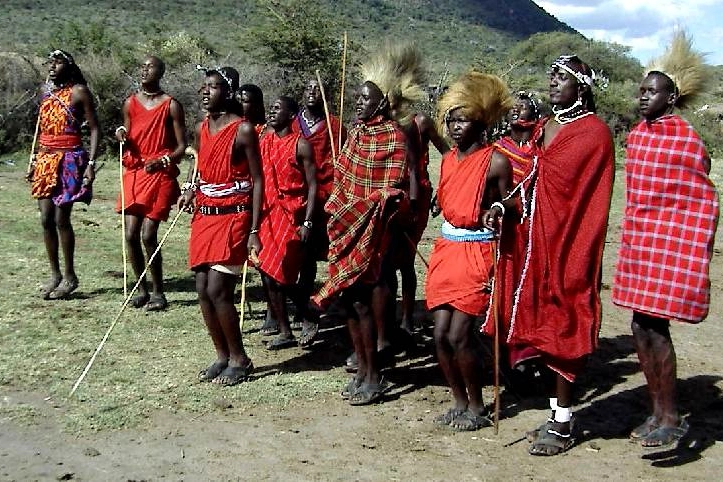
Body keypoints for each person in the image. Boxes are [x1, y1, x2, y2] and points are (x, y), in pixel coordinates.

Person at [497, 55, 614, 455]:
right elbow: (531, 178)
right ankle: (555, 414)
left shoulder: (595, 134)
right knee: (542, 327)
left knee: (563, 325)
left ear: (580, 86)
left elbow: (590, 198)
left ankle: (563, 423)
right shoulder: (545, 128)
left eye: (561, 78)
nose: (552, 84)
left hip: (573, 244)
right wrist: (505, 207)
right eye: (550, 77)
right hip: (537, 243)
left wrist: (574, 246)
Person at [612, 32, 718, 448]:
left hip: (669, 244)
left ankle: (671, 414)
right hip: (643, 242)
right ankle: (657, 411)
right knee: (641, 325)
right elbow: (640, 194)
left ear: (670, 98)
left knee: (656, 328)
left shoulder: (683, 137)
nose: (643, 98)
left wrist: (678, 231)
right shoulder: (639, 136)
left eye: (651, 92)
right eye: (640, 91)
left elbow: (698, 192)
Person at [311, 43, 424, 405]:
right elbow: (343, 177)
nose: (358, 103)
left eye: (364, 99)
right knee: (350, 303)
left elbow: (392, 188)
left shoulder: (393, 136)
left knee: (367, 301)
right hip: (346, 228)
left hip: (375, 233)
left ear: (379, 103)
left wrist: (360, 206)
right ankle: (361, 368)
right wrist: (340, 205)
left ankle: (375, 376)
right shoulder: (356, 135)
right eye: (356, 98)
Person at [425, 71, 513, 431]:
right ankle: (458, 400)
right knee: (439, 335)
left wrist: (498, 210)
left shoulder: (496, 161)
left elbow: (512, 201)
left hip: (477, 253)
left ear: (482, 124)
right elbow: (448, 195)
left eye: (465, 120)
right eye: (453, 120)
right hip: (447, 250)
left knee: (460, 334)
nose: (457, 127)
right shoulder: (447, 161)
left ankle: (477, 406)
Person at [179, 66, 263, 386]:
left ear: (227, 93)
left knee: (218, 289)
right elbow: (199, 165)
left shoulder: (243, 130)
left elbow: (258, 180)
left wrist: (254, 230)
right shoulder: (202, 128)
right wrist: (190, 188)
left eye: (213, 87)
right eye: (204, 86)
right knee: (201, 288)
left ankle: (241, 359)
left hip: (234, 215)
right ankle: (222, 355)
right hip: (205, 214)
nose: (205, 91)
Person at [115, 55, 187, 311]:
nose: (145, 70)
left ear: (161, 72)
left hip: (159, 173)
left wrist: (164, 160)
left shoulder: (171, 105)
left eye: (150, 67)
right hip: (135, 170)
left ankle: (159, 291)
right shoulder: (130, 103)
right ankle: (141, 288)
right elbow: (127, 132)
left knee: (149, 234)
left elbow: (182, 145)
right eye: (142, 66)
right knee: (131, 234)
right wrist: (121, 135)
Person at [28, 49, 99, 300]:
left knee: (61, 218)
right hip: (45, 159)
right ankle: (55, 275)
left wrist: (90, 163)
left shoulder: (79, 92)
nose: (52, 67)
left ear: (68, 67)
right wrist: (33, 161)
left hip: (69, 159)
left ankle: (70, 276)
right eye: (50, 63)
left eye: (57, 63)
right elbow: (40, 129)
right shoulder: (45, 92)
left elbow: (93, 128)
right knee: (45, 218)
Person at [482, 92, 542, 376]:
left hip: (531, 228)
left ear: (535, 114)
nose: (517, 112)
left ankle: (528, 348)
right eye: (512, 108)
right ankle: (502, 350)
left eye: (524, 107)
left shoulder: (541, 150)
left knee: (527, 288)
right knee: (500, 288)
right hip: (500, 228)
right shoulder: (497, 149)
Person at [256, 96, 316, 350]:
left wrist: (309, 222)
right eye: (271, 107)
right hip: (267, 214)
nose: (271, 111)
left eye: (277, 108)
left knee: (282, 276)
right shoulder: (263, 143)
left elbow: (313, 186)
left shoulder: (301, 145)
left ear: (292, 116)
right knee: (267, 274)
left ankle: (309, 312)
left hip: (292, 216)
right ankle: (284, 330)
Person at [291, 78, 346, 346]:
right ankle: (303, 314)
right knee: (300, 258)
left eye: (317, 89)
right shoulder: (292, 123)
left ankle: (327, 307)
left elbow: (344, 159)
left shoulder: (336, 127)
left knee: (330, 254)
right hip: (297, 197)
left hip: (328, 198)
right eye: (307, 88)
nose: (312, 92)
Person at [394, 112, 449, 334]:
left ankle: (407, 320)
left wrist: (444, 191)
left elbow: (448, 154)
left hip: (417, 197)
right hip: (387, 193)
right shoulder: (378, 119)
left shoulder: (421, 122)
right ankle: (386, 322)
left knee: (407, 258)